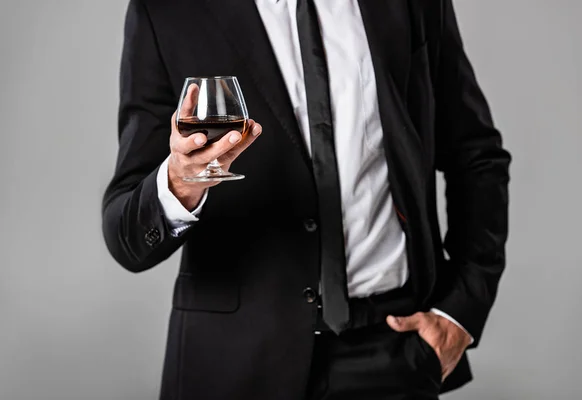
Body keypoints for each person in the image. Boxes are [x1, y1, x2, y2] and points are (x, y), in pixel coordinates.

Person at [102, 0, 511, 399]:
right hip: (234, 362)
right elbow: (126, 238)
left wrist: (460, 310)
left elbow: (476, 155)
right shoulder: (167, 11)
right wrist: (179, 184)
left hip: (392, 352)